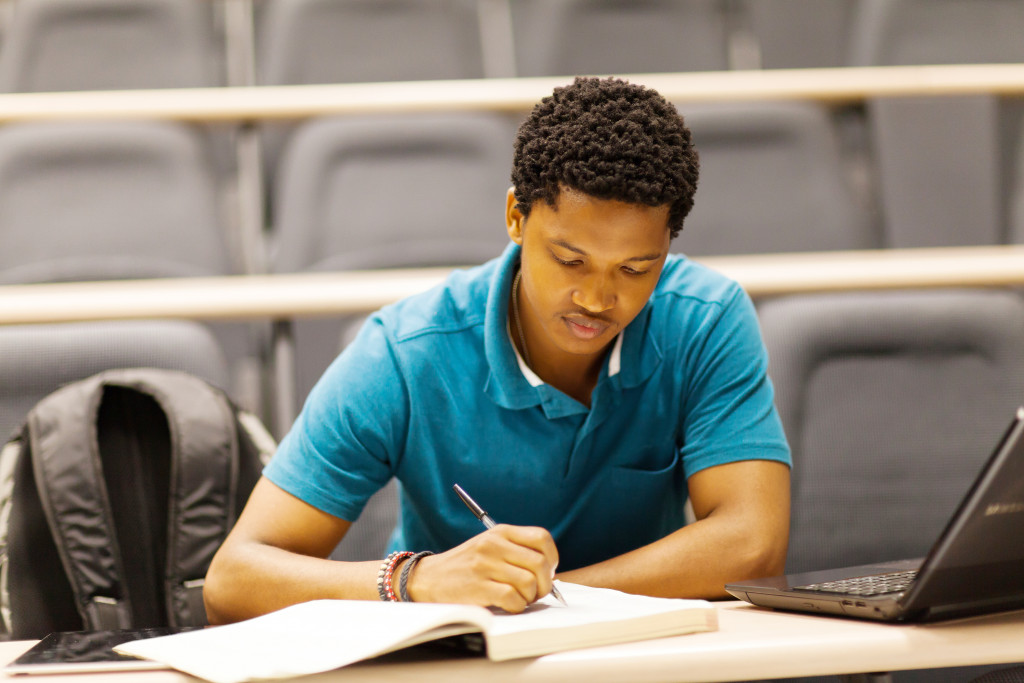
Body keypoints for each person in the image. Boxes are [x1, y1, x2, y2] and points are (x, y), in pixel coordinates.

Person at [204, 77, 791, 624]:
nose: (596, 298)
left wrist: (546, 599)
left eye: (636, 269)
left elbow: (752, 545)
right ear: (515, 216)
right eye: (569, 260)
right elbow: (234, 581)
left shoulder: (707, 319)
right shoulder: (406, 353)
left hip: (642, 658)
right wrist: (419, 580)